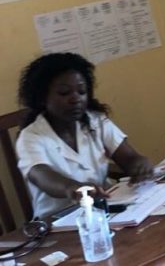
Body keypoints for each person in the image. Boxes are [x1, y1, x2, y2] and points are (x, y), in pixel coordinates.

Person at [16, 53, 154, 218]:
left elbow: (128, 157)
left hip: (105, 208)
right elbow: (41, 175)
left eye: (81, 91)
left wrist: (139, 164)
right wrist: (71, 188)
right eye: (64, 93)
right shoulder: (31, 136)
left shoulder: (96, 121)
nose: (76, 99)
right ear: (42, 97)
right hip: (58, 220)